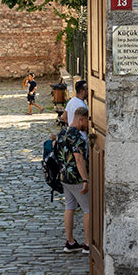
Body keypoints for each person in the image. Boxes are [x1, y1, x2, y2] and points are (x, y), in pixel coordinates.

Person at [55, 106, 90, 254]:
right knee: (88, 209)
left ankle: (70, 241)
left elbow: (55, 148)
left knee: (69, 207)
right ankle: (88, 244)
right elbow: (79, 158)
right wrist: (85, 179)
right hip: (76, 178)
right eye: (87, 121)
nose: (88, 125)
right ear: (81, 119)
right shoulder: (77, 136)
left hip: (64, 176)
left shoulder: (62, 131)